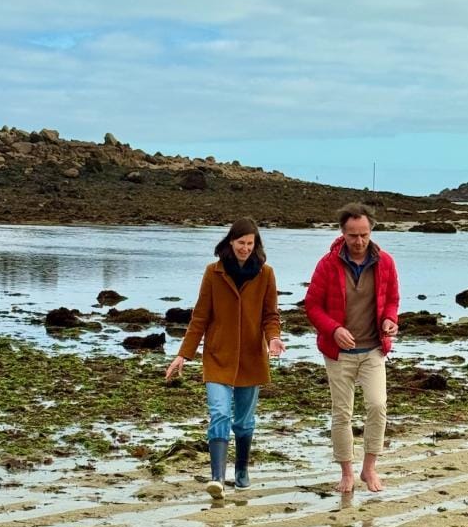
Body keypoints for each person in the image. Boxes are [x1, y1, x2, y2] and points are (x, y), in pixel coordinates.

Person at [165, 218, 285, 499]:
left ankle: (241, 470)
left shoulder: (266, 274)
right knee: (219, 413)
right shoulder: (213, 272)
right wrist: (183, 354)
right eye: (241, 242)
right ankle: (217, 477)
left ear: (256, 245)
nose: (245, 248)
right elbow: (200, 317)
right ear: (230, 242)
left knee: (243, 422)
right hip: (217, 355)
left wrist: (273, 338)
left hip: (252, 358)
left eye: (250, 244)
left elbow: (270, 316)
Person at [305, 202, 399, 493]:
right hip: (339, 353)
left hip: (373, 349)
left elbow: (392, 300)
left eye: (364, 235)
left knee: (377, 406)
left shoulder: (385, 262)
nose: (359, 241)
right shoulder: (327, 264)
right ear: (342, 233)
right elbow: (312, 306)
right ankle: (346, 472)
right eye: (353, 235)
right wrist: (334, 329)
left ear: (371, 231)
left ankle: (369, 469)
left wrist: (390, 320)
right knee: (342, 413)